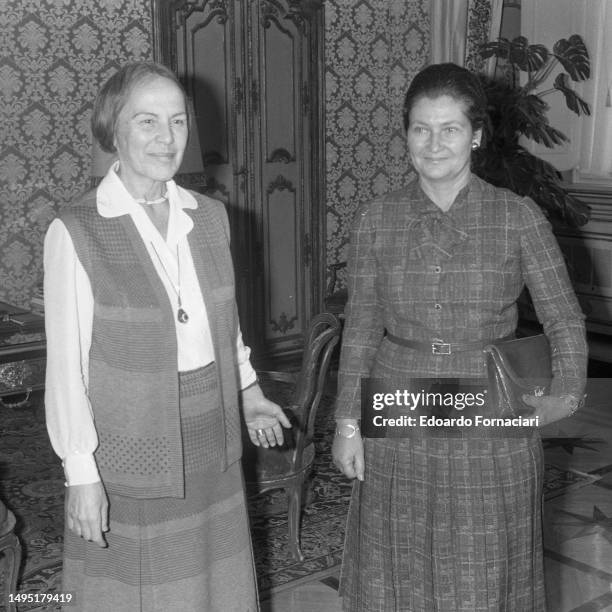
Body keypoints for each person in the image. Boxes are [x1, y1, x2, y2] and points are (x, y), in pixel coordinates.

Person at [332, 62, 587, 611]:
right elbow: (360, 328)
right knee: (397, 551)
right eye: (421, 129)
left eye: (449, 129)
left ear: (475, 135)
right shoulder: (377, 219)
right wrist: (347, 422)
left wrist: (564, 395)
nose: (434, 143)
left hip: (488, 398)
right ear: (406, 135)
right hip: (399, 398)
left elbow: (564, 317)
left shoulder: (517, 217)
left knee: (485, 554)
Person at [44, 61, 291, 612]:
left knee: (210, 585)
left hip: (212, 435)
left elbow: (225, 325)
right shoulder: (77, 230)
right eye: (147, 121)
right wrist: (81, 473)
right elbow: (65, 369)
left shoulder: (209, 218)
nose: (166, 137)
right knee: (138, 591)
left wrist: (248, 395)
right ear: (114, 129)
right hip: (130, 442)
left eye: (177, 122)